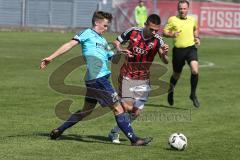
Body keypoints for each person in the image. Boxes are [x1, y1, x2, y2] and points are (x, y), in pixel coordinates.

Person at [40, 11, 152, 146]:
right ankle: (134, 139)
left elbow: (111, 57)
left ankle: (59, 130)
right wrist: (51, 58)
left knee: (86, 111)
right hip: (98, 79)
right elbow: (69, 44)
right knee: (118, 109)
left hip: (96, 79)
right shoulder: (87, 33)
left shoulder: (102, 40)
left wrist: (121, 51)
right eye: (105, 25)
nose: (106, 28)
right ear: (97, 23)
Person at [108, 14, 169, 143]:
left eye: (156, 30)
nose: (153, 32)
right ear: (146, 24)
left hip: (143, 79)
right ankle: (117, 100)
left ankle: (114, 132)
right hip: (127, 74)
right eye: (151, 29)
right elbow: (116, 42)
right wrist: (120, 49)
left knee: (135, 113)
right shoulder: (133, 31)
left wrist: (164, 54)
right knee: (128, 107)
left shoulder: (158, 40)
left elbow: (165, 61)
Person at [163, 0, 200, 108]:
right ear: (177, 9)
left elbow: (195, 29)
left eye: (184, 8)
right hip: (178, 51)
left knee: (195, 70)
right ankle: (171, 90)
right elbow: (164, 32)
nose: (182, 10)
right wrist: (172, 34)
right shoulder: (172, 19)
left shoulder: (192, 19)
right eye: (180, 9)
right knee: (176, 75)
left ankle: (193, 95)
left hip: (191, 48)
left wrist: (197, 37)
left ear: (188, 9)